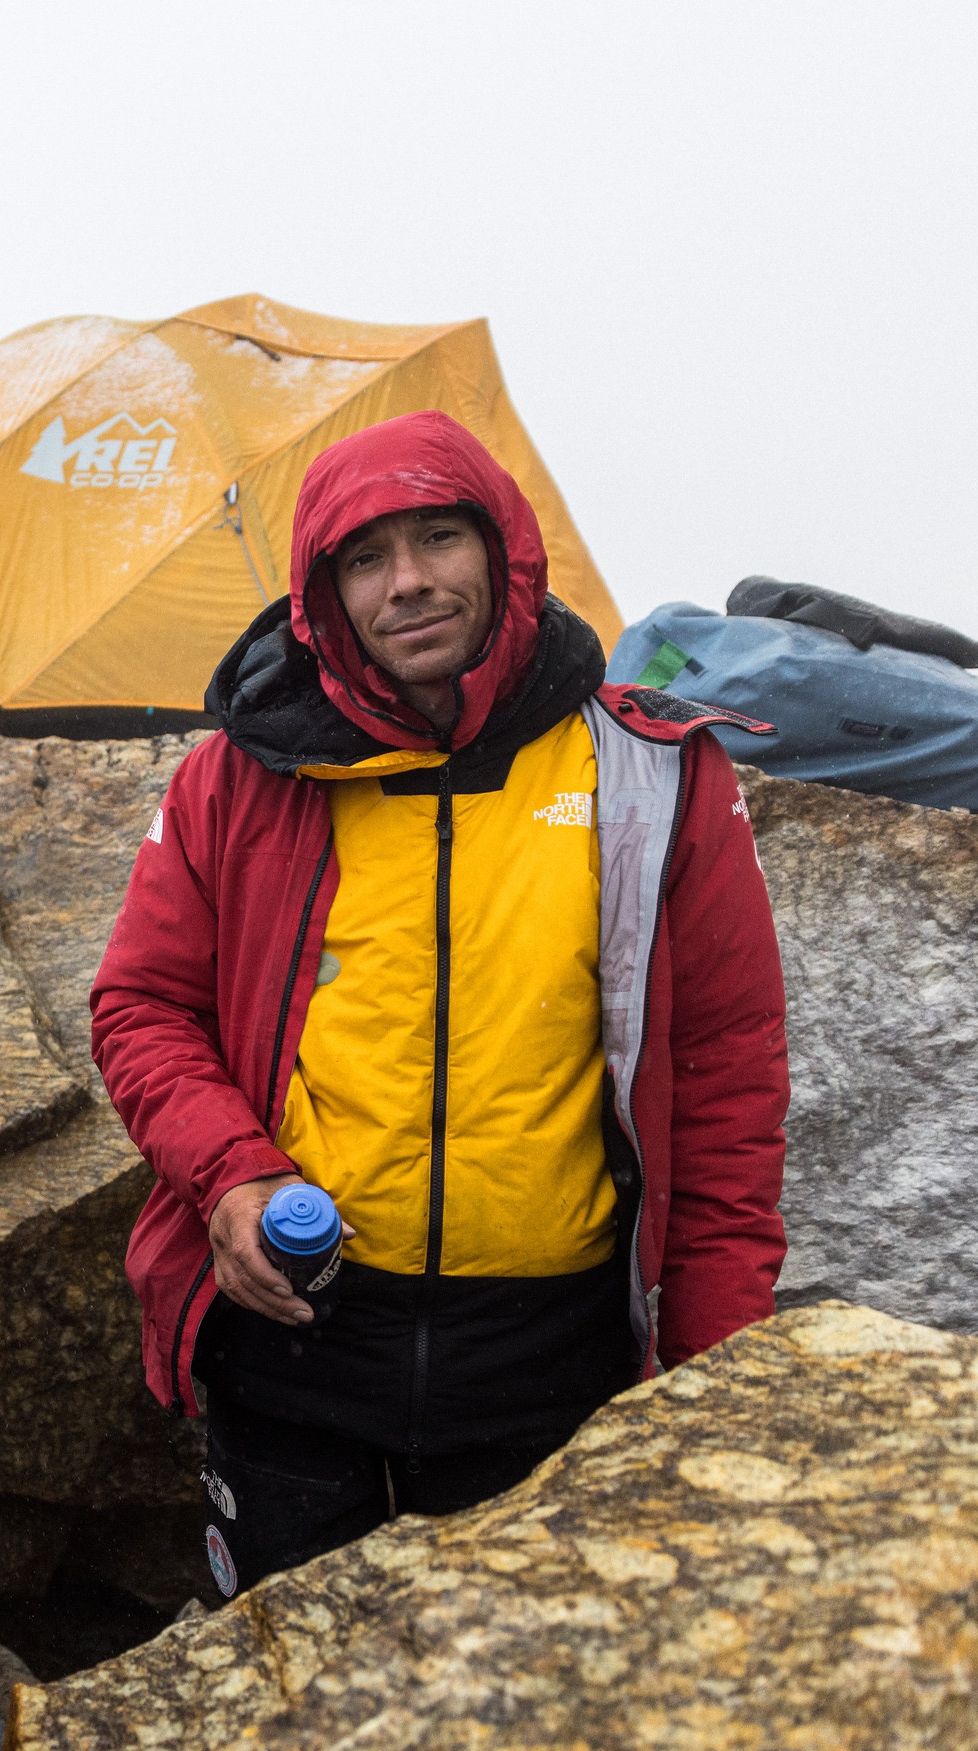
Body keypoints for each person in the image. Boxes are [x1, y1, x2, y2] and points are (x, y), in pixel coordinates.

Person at [88, 411, 788, 1601]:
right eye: (365, 558)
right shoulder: (242, 774)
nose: (406, 583)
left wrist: (711, 1372)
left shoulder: (648, 772)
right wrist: (235, 1175)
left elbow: (726, 1076)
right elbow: (143, 1005)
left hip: (550, 1373)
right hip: (300, 1355)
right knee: (278, 1745)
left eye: (438, 538)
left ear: (504, 550)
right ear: (322, 597)